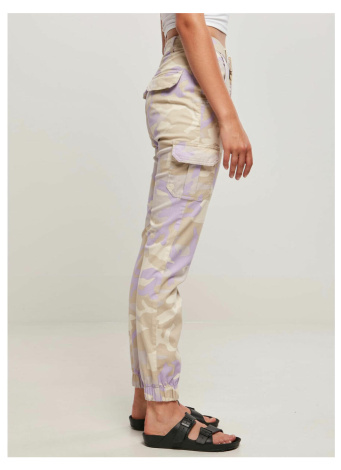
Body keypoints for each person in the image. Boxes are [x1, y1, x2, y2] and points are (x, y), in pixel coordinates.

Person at [128, 13, 253, 452]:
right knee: (164, 263)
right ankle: (163, 409)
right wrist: (228, 117)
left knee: (156, 256)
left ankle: (148, 398)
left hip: (182, 80)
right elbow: (187, 19)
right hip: (193, 87)